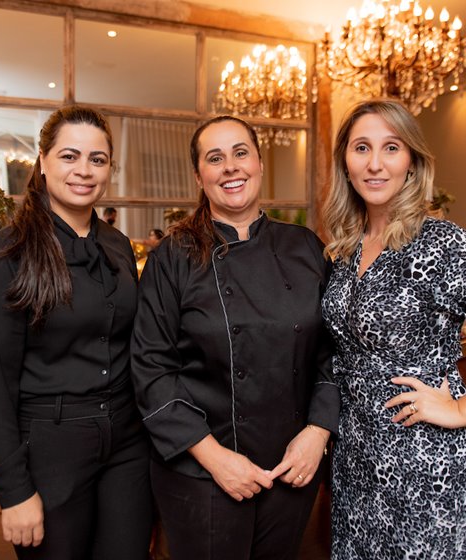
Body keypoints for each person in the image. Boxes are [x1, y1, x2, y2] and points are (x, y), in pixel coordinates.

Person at [321, 99, 466, 559]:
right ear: (344, 163)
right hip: (356, 465)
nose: (375, 163)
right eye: (361, 148)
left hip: (430, 469)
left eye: (391, 148)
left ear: (411, 162)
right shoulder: (346, 248)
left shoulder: (443, 243)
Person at [131, 115, 339, 560]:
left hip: (290, 465)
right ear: (199, 176)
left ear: (260, 163)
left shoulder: (305, 247)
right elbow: (151, 368)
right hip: (202, 470)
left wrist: (318, 433)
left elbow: (333, 352)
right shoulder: (174, 256)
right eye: (215, 158)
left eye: (240, 153)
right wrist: (215, 458)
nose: (230, 167)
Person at [0, 105, 152, 559]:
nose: (84, 171)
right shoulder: (6, 254)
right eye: (70, 156)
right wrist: (13, 490)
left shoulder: (117, 245)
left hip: (127, 441)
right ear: (43, 160)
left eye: (98, 159)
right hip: (50, 445)